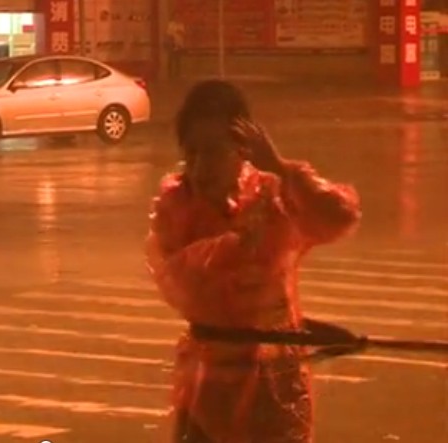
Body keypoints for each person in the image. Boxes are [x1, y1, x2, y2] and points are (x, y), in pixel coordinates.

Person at [146, 80, 361, 443]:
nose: (200, 167)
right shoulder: (176, 205)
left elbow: (339, 216)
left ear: (243, 148)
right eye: (191, 153)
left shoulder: (274, 195)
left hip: (275, 385)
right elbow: (186, 284)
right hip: (208, 390)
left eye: (213, 152)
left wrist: (283, 169)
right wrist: (241, 245)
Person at [165, 11, 185, 79]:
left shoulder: (180, 24)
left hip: (179, 44)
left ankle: (177, 74)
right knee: (170, 59)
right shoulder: (171, 24)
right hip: (172, 44)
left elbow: (183, 33)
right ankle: (170, 74)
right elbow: (168, 34)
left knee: (177, 60)